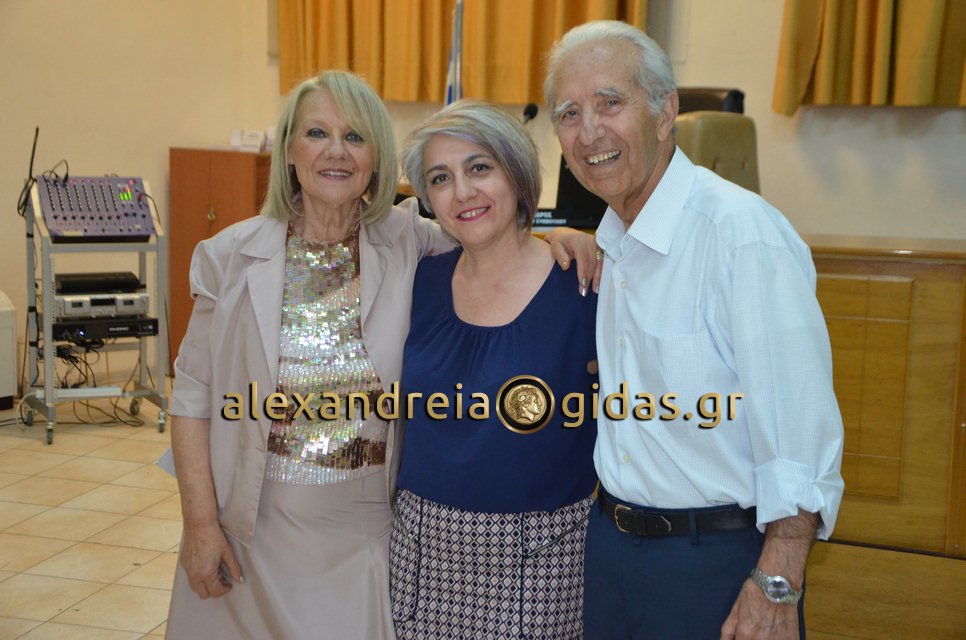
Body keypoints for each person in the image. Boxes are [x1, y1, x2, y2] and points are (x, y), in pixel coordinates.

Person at [166, 70, 599, 639]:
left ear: (376, 159)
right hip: (249, 529)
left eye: (355, 136)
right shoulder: (229, 256)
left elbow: (491, 242)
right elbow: (193, 396)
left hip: (364, 534)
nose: (336, 152)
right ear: (289, 150)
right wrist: (200, 524)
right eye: (317, 133)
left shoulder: (410, 243)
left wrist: (562, 237)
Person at [544, 21, 845, 640]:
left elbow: (799, 430)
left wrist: (778, 581)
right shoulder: (612, 240)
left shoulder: (740, 235)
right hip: (611, 553)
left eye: (609, 102)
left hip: (717, 562)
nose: (589, 131)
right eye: (569, 113)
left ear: (665, 113)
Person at [389, 101, 599, 640]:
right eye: (441, 178)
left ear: (517, 174)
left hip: (543, 559)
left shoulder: (583, 285)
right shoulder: (419, 282)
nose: (462, 192)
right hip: (422, 553)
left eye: (479, 168)